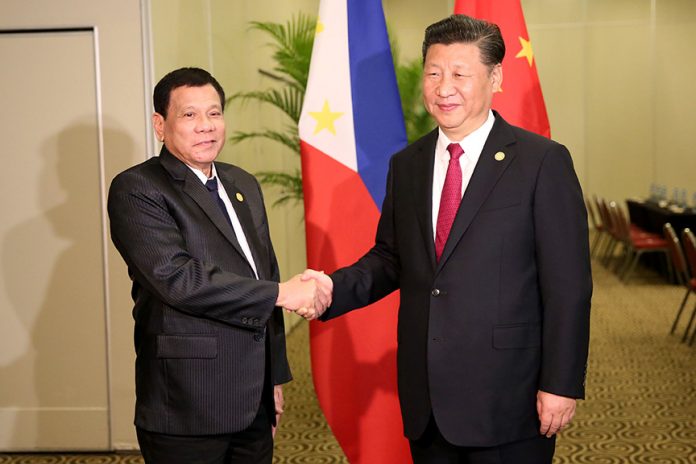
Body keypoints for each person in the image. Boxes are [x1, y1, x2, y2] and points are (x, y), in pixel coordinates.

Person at [299, 15, 592, 463]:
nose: (443, 87)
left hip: (509, 397)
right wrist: (331, 288)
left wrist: (561, 383)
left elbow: (568, 287)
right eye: (434, 73)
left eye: (460, 74)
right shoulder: (408, 164)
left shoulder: (540, 162)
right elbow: (392, 258)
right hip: (428, 400)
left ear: (495, 78)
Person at [108, 67, 324, 463]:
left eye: (215, 113)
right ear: (160, 124)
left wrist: (272, 379)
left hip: (252, 401)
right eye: (190, 115)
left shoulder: (243, 184)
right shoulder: (138, 189)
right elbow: (179, 279)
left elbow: (264, 274)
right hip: (188, 405)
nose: (206, 126)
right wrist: (283, 294)